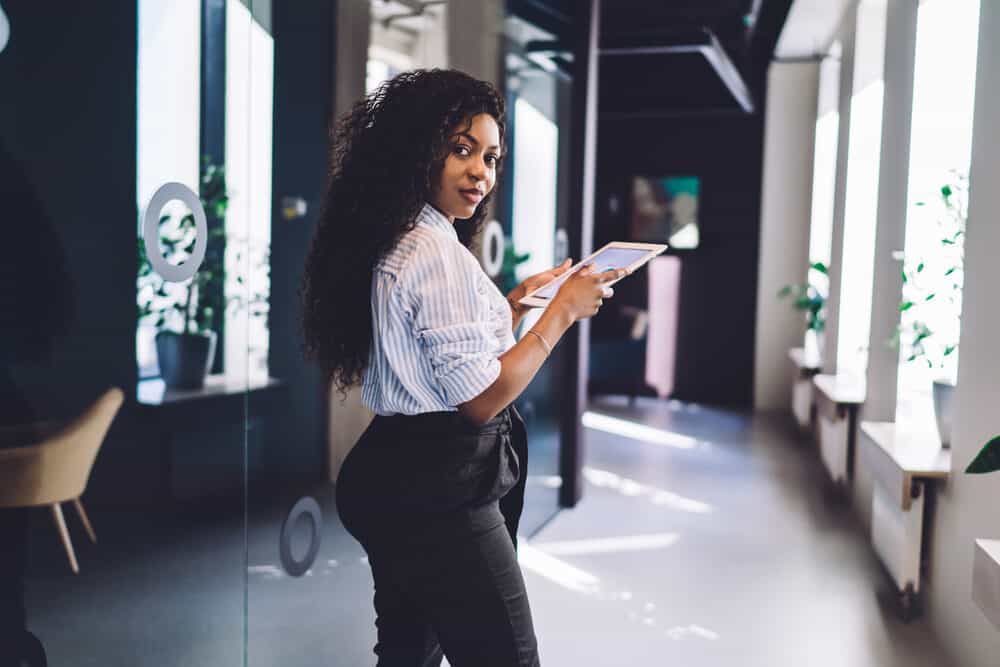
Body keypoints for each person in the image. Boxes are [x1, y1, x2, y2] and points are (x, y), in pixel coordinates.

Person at [299, 68, 622, 667]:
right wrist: (560, 318)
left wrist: (521, 300)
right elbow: (480, 397)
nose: (481, 171)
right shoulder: (431, 251)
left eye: (492, 157)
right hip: (441, 488)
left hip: (392, 472)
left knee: (406, 655)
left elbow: (434, 353)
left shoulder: (399, 237)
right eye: (461, 149)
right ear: (418, 150)